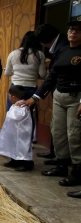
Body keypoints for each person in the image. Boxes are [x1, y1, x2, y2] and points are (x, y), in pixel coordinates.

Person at [20, 19, 81, 196]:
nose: (72, 32)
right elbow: (52, 76)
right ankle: (61, 165)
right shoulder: (62, 50)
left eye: (77, 30)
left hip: (75, 97)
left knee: (74, 134)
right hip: (59, 96)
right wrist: (35, 97)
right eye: (70, 29)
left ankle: (77, 172)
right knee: (58, 132)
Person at [33, 24, 70, 161]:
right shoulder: (61, 45)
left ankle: (63, 160)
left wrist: (36, 96)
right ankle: (55, 154)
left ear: (44, 41)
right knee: (57, 126)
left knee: (67, 130)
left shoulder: (64, 46)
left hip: (68, 93)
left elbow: (53, 74)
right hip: (59, 93)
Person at [4, 31, 46, 143]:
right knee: (28, 117)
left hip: (15, 89)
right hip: (31, 89)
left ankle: (11, 140)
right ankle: (27, 141)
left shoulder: (13, 54)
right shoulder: (40, 55)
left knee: (11, 114)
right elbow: (43, 75)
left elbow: (7, 73)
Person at [0, 85, 34, 171]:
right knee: (13, 146)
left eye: (9, 95)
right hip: (14, 132)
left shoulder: (21, 105)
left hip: (21, 133)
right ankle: (14, 161)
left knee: (21, 148)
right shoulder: (16, 104)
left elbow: (15, 116)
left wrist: (14, 108)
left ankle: (26, 164)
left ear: (13, 97)